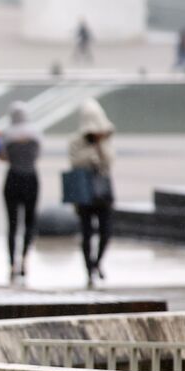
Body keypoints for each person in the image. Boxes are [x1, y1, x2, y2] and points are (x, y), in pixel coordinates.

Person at [68, 99, 116, 288]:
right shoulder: (75, 141)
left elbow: (110, 162)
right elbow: (75, 162)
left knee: (106, 231)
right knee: (86, 233)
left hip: (103, 192)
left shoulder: (105, 140)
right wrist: (89, 148)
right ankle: (89, 269)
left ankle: (98, 262)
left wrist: (99, 143)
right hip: (84, 192)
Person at [0, 102, 41, 280]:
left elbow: (3, 155)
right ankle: (24, 258)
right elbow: (38, 154)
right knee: (29, 222)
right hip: (31, 177)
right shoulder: (36, 133)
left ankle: (11, 262)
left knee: (12, 223)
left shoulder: (7, 134)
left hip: (13, 177)